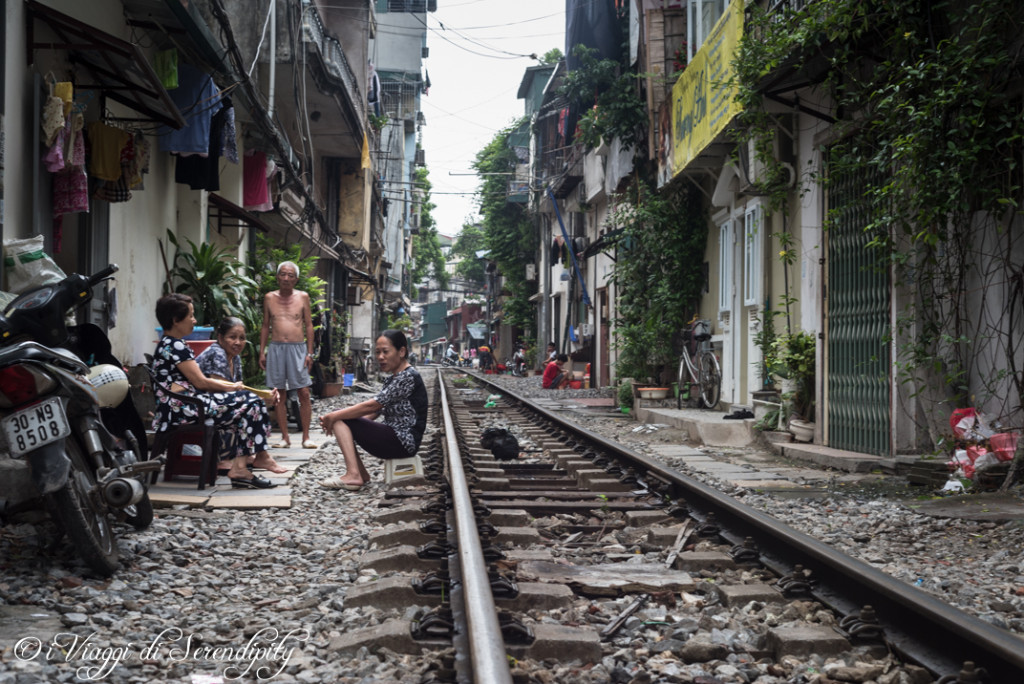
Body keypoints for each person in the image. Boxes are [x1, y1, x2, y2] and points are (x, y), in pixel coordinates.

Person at [152, 294, 287, 489]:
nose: (194, 320)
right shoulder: (176, 345)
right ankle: (247, 464)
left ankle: (244, 465)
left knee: (250, 402)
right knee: (251, 402)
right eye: (191, 315)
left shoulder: (169, 344)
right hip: (183, 408)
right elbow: (201, 382)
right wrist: (233, 387)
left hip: (180, 405)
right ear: (175, 320)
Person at [318, 329, 428, 491]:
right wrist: (353, 427)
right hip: (396, 438)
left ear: (402, 351)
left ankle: (353, 475)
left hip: (402, 441)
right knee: (343, 418)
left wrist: (336, 416)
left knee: (341, 416)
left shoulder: (408, 376)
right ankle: (360, 474)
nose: (380, 357)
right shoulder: (394, 377)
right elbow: (377, 411)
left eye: (385, 352)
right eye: (377, 352)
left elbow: (373, 405)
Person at [196, 317, 281, 470]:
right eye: (232, 337)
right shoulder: (217, 352)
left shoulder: (234, 358)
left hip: (214, 401)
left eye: (242, 338)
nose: (238, 342)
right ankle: (226, 458)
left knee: (252, 403)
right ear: (220, 338)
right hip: (199, 404)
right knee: (247, 405)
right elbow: (222, 388)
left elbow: (238, 390)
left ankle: (247, 454)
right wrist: (259, 397)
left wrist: (264, 396)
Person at [260, 261, 317, 449]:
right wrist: (262, 351)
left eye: (290, 275)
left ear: (296, 279)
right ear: (277, 277)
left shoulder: (303, 297)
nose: (286, 278)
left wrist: (310, 352)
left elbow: (309, 325)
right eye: (283, 274)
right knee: (279, 394)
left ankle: (306, 437)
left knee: (304, 392)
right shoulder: (269, 297)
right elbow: (266, 325)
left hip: (298, 349)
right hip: (276, 348)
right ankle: (285, 438)